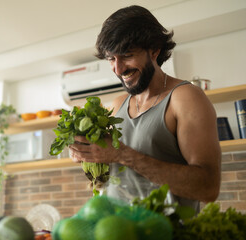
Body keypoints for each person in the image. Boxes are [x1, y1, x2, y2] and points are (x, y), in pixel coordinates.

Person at [68, 5, 221, 212]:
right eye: (111, 59)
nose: (118, 69)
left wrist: (123, 154)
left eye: (127, 55)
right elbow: (115, 172)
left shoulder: (184, 98)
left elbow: (208, 188)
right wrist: (88, 154)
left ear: (155, 50)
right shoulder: (118, 105)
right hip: (117, 229)